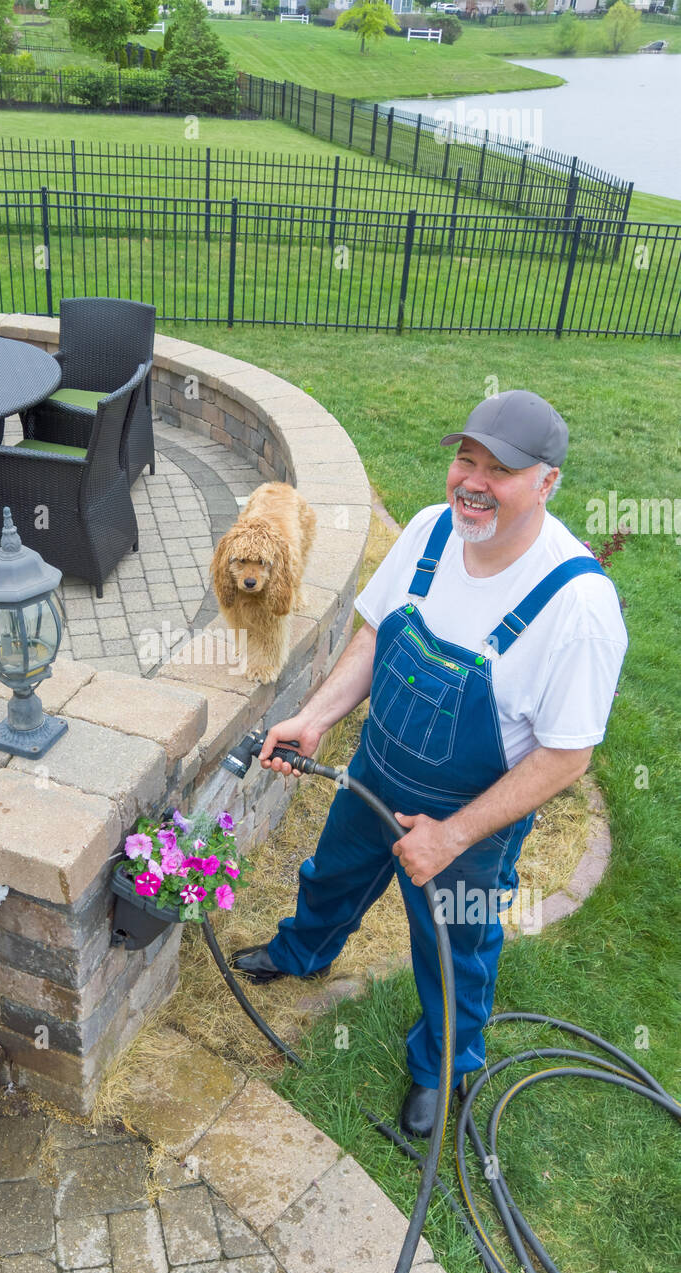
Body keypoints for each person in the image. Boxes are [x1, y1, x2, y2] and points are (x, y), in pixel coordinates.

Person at [230, 390, 628, 1138]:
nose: (471, 481)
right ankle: (301, 952)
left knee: (453, 946)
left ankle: (441, 1062)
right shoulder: (428, 531)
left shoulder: (576, 608)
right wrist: (314, 720)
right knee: (332, 872)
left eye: (500, 469)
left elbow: (567, 755)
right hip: (376, 766)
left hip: (470, 814)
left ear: (546, 483)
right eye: (465, 459)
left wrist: (450, 836)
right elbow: (376, 637)